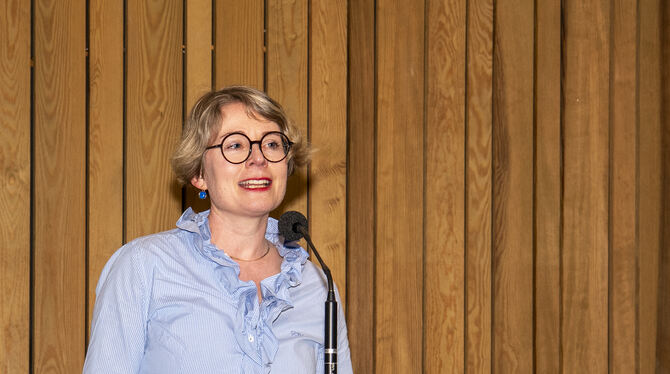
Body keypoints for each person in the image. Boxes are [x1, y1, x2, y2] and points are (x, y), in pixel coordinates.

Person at [83, 86, 353, 373]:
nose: (259, 158)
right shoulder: (143, 266)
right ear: (199, 174)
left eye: (272, 144)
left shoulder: (317, 285)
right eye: (235, 145)